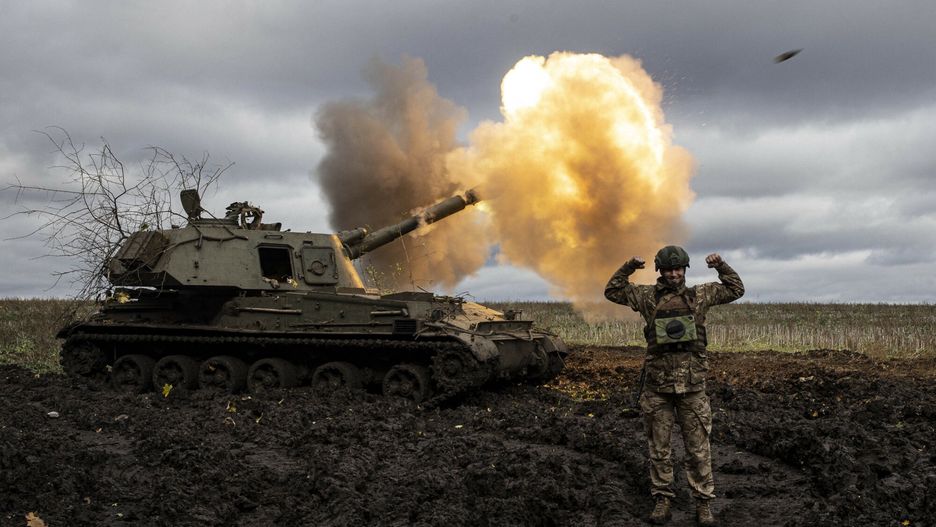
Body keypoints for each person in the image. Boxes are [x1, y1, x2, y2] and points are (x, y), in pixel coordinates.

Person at [604, 246, 744, 526]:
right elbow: (613, 290)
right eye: (668, 269)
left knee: (698, 449)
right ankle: (662, 500)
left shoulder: (700, 295)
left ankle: (703, 504)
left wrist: (721, 265)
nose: (673, 274)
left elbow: (735, 289)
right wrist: (629, 266)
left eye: (678, 269)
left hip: (692, 387)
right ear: (660, 271)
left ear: (685, 270)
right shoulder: (646, 297)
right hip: (658, 388)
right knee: (659, 449)